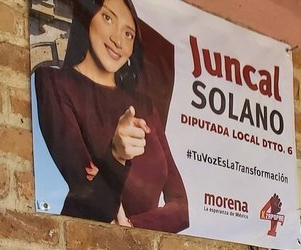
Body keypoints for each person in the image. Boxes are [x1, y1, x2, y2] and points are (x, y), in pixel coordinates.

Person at [34, 0, 189, 231]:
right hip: (84, 244)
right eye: (108, 18)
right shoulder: (54, 82)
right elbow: (93, 202)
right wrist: (116, 155)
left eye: (128, 34)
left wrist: (130, 224)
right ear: (88, 17)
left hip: (142, 247)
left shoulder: (145, 105)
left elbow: (182, 210)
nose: (118, 40)